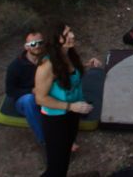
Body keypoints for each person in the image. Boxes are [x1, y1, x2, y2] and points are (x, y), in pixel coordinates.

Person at [34, 22, 100, 177]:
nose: (72, 35)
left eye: (71, 31)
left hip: (71, 114)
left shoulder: (67, 53)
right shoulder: (46, 66)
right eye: (67, 34)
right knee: (56, 168)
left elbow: (68, 72)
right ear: (56, 39)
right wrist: (71, 106)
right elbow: (40, 98)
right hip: (56, 120)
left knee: (64, 161)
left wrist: (87, 64)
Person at [5, 30, 47, 146]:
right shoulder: (15, 66)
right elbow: (10, 91)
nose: (37, 46)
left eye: (40, 42)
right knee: (29, 100)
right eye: (33, 44)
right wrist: (31, 91)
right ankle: (45, 140)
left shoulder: (47, 59)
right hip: (26, 99)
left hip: (46, 94)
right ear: (26, 47)